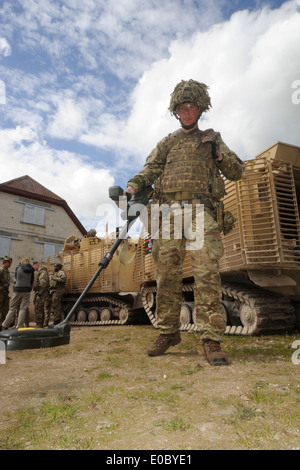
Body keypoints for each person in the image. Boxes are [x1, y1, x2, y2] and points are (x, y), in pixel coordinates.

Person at [126, 79, 245, 365]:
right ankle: (168, 331)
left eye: (192, 106)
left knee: (206, 271)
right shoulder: (168, 142)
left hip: (200, 211)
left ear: (201, 108)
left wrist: (218, 151)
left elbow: (237, 170)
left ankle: (210, 338)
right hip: (167, 213)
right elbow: (149, 169)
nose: (187, 111)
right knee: (166, 273)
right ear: (175, 110)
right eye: (182, 107)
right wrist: (132, 187)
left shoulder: (212, 138)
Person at [2, 257, 34, 329]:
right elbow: (32, 281)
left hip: (18, 290)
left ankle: (5, 325)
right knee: (23, 309)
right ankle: (19, 326)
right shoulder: (32, 270)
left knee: (12, 308)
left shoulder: (18, 268)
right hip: (27, 290)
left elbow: (17, 278)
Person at [32, 261, 50, 328]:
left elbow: (43, 283)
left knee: (39, 308)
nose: (33, 267)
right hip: (40, 292)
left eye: (33, 266)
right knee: (38, 308)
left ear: (36, 265)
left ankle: (39, 324)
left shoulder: (42, 272)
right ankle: (39, 323)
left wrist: (40, 292)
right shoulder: (39, 272)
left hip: (41, 293)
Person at [0, 256, 12, 331]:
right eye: (8, 263)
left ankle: (2, 325)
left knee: (5, 310)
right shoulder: (1, 270)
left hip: (5, 293)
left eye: (10, 263)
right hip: (1, 293)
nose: (10, 265)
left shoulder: (7, 271)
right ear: (4, 263)